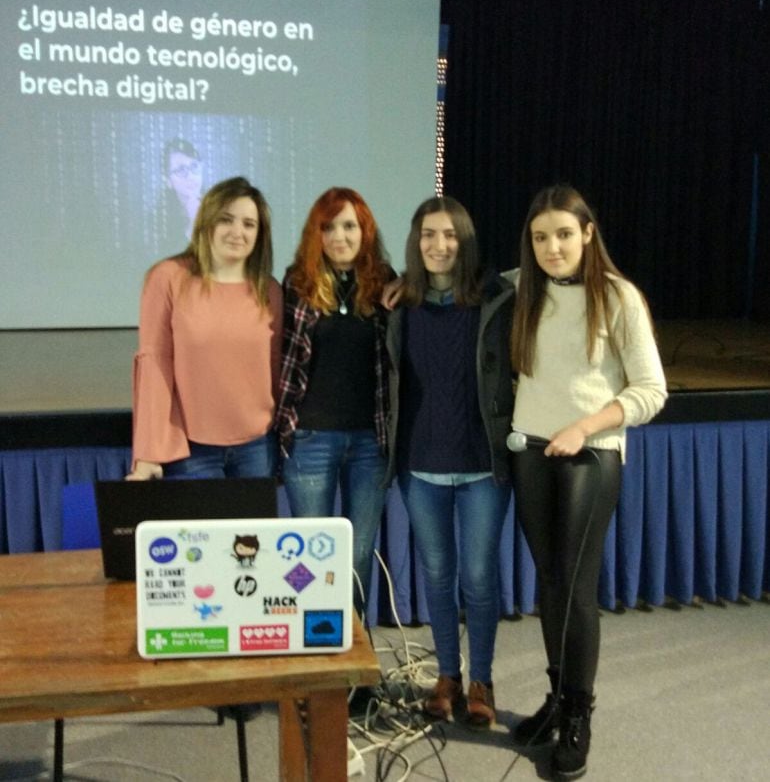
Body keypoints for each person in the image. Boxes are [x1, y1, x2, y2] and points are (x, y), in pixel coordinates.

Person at [508, 185, 667, 779]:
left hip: (591, 454)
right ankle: (557, 696)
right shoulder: (522, 289)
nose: (553, 247)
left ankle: (580, 714)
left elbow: (651, 391)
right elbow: (457, 281)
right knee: (549, 582)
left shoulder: (619, 296)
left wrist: (584, 426)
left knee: (575, 588)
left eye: (564, 235)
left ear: (588, 234)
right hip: (531, 450)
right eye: (541, 237)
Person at [385, 196, 514, 729]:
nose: (439, 245)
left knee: (479, 577)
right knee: (438, 575)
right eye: (428, 235)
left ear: (466, 240)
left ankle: (480, 679)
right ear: (416, 243)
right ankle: (447, 676)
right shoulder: (399, 303)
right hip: (422, 465)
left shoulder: (496, 297)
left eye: (451, 235)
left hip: (482, 464)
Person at [275, 187, 394, 617]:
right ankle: (315, 660)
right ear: (316, 233)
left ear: (365, 231)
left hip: (369, 443)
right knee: (307, 559)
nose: (340, 236)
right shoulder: (296, 283)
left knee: (357, 558)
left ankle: (354, 668)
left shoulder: (385, 284)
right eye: (329, 227)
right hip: (310, 441)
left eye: (349, 226)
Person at [127, 175, 282, 481]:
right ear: (206, 222)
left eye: (249, 224)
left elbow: (276, 371)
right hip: (191, 451)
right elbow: (155, 367)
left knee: (250, 531)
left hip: (258, 448)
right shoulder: (168, 278)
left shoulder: (271, 290)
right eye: (226, 220)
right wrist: (147, 452)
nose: (238, 232)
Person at [156, 137, 204, 252]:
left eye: (194, 167)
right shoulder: (159, 219)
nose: (191, 176)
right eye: (181, 170)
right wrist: (193, 223)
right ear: (168, 180)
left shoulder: (220, 207)